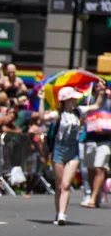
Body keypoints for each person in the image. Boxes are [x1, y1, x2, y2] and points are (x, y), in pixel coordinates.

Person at [39, 83, 105, 225]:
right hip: (59, 150)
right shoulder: (58, 114)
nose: (76, 100)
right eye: (73, 98)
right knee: (59, 185)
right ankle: (58, 213)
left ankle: (62, 214)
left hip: (73, 151)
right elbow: (42, 118)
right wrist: (41, 99)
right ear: (66, 100)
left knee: (66, 184)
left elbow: (96, 106)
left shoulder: (78, 111)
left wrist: (101, 92)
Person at [81, 82, 111, 208]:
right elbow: (82, 118)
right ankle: (95, 193)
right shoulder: (88, 101)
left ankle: (93, 198)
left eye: (103, 85)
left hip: (105, 139)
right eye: (98, 85)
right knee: (91, 169)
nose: (100, 87)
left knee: (100, 168)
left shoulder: (109, 102)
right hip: (90, 138)